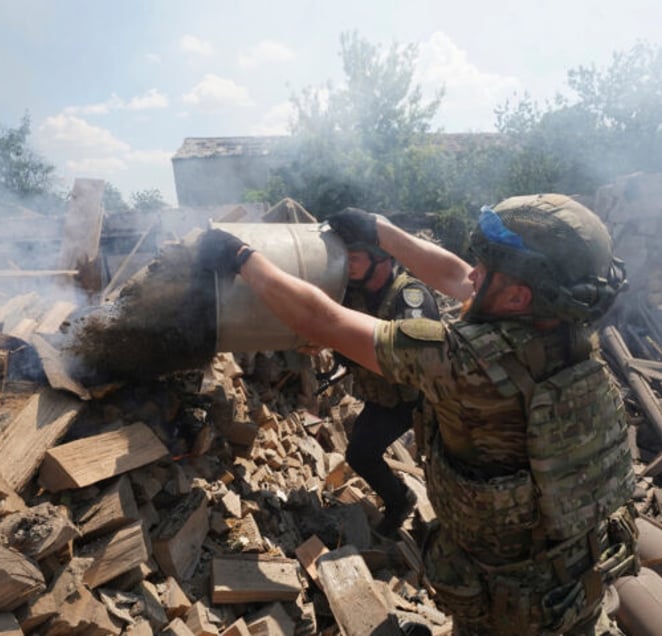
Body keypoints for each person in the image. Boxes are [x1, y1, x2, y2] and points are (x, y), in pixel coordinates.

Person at [199, 194, 638, 635]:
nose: (473, 273)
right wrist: (380, 228)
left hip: (514, 602)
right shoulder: (568, 328)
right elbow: (456, 275)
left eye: (486, 269)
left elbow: (323, 321)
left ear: (517, 297)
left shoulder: (464, 363)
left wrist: (242, 258)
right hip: (578, 572)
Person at [333, 212, 440, 538]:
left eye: (355, 258)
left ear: (381, 259)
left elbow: (418, 362)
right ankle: (400, 500)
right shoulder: (353, 292)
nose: (347, 265)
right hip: (385, 399)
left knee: (443, 465)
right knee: (359, 454)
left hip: (422, 401)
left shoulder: (411, 298)